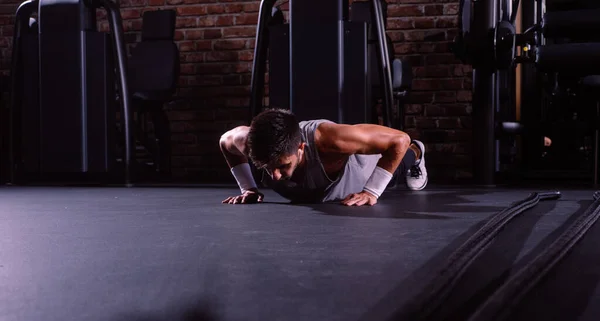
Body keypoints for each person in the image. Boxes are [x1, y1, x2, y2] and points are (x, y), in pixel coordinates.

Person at [219, 108, 428, 206]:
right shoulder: (249, 142)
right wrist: (248, 188)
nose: (274, 176)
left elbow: (399, 140)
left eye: (282, 166)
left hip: (356, 173)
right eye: (265, 167)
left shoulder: (330, 140)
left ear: (301, 148)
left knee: (399, 165)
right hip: (314, 190)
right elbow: (224, 142)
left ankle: (417, 153)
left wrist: (371, 191)